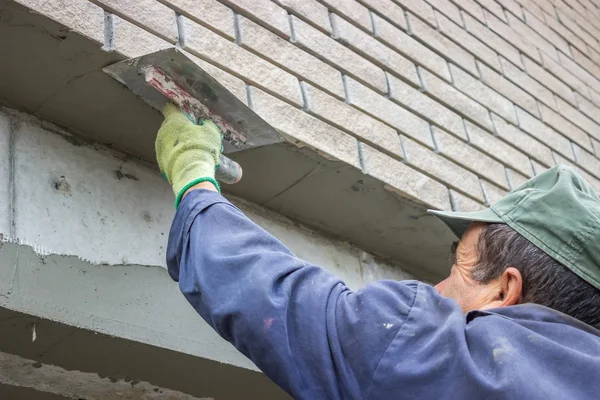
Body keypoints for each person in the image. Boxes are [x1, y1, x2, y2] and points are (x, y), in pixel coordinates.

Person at [157, 104, 600, 399]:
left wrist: (194, 179)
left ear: (505, 291)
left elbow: (287, 304)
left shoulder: (458, 367)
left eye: (458, 266)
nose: (437, 286)